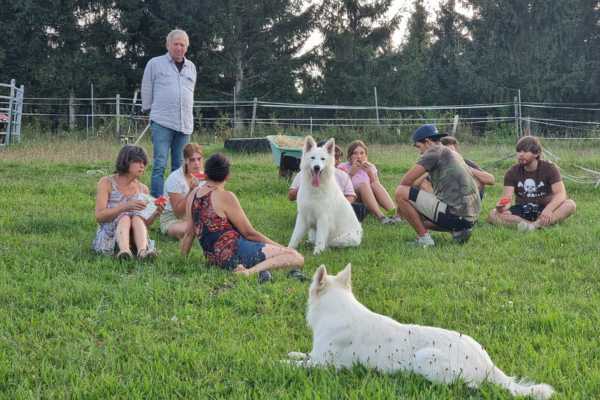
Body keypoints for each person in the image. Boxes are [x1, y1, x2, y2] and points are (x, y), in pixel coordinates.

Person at [181, 153, 305, 283]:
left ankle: (255, 268)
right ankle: (249, 272)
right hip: (235, 253)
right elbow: (249, 233)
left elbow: (189, 234)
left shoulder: (194, 195)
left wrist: (183, 260)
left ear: (205, 174)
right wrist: (284, 248)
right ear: (228, 175)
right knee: (296, 257)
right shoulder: (226, 196)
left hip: (214, 259)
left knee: (276, 252)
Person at [395, 124, 481, 247]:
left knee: (400, 192)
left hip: (456, 215)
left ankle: (424, 239)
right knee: (417, 219)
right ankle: (459, 230)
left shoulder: (434, 152)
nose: (420, 152)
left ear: (428, 141)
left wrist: (402, 207)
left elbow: (405, 183)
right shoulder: (451, 153)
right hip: (470, 219)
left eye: (419, 147)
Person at [141, 29, 197, 197]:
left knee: (179, 166)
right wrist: (149, 111)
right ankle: (157, 203)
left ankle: (176, 202)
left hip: (184, 124)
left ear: (186, 47)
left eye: (182, 45)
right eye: (176, 44)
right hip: (162, 122)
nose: (179, 48)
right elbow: (147, 88)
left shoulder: (191, 67)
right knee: (159, 164)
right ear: (168, 45)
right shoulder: (155, 63)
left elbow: (191, 92)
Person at [487, 136, 576, 231]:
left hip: (544, 209)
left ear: (536, 153)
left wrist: (548, 210)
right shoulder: (512, 172)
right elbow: (507, 198)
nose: (520, 155)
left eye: (525, 151)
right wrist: (501, 207)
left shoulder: (550, 169)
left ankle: (531, 225)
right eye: (518, 151)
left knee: (570, 204)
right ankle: (533, 225)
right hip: (522, 209)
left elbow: (561, 194)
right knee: (493, 214)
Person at [92, 145, 164, 259]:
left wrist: (155, 213)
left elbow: (145, 224)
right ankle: (124, 251)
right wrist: (125, 207)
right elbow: (99, 216)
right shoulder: (106, 182)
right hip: (111, 235)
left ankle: (142, 252)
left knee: (137, 218)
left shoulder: (143, 189)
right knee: (125, 217)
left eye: (144, 163)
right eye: (137, 162)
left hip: (135, 237)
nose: (142, 166)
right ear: (126, 162)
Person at [288, 141, 368, 221]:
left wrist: (339, 207)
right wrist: (305, 185)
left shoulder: (342, 175)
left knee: (358, 209)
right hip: (311, 209)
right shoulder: (304, 173)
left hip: (335, 209)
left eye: (337, 157)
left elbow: (351, 196)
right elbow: (291, 196)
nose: (337, 160)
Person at [338, 140, 400, 224]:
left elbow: (377, 186)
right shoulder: (342, 167)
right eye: (355, 153)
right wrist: (351, 173)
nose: (359, 156)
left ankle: (394, 214)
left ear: (366, 156)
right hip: (354, 200)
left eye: (362, 153)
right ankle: (381, 217)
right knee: (364, 185)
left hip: (370, 201)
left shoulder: (370, 167)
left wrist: (370, 173)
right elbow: (340, 189)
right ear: (349, 157)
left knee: (375, 184)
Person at [160, 143, 205, 239]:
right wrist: (191, 191)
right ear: (185, 161)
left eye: (199, 159)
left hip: (195, 216)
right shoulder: (175, 179)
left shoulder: (203, 176)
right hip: (173, 219)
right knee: (192, 230)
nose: (197, 163)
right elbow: (178, 213)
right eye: (192, 160)